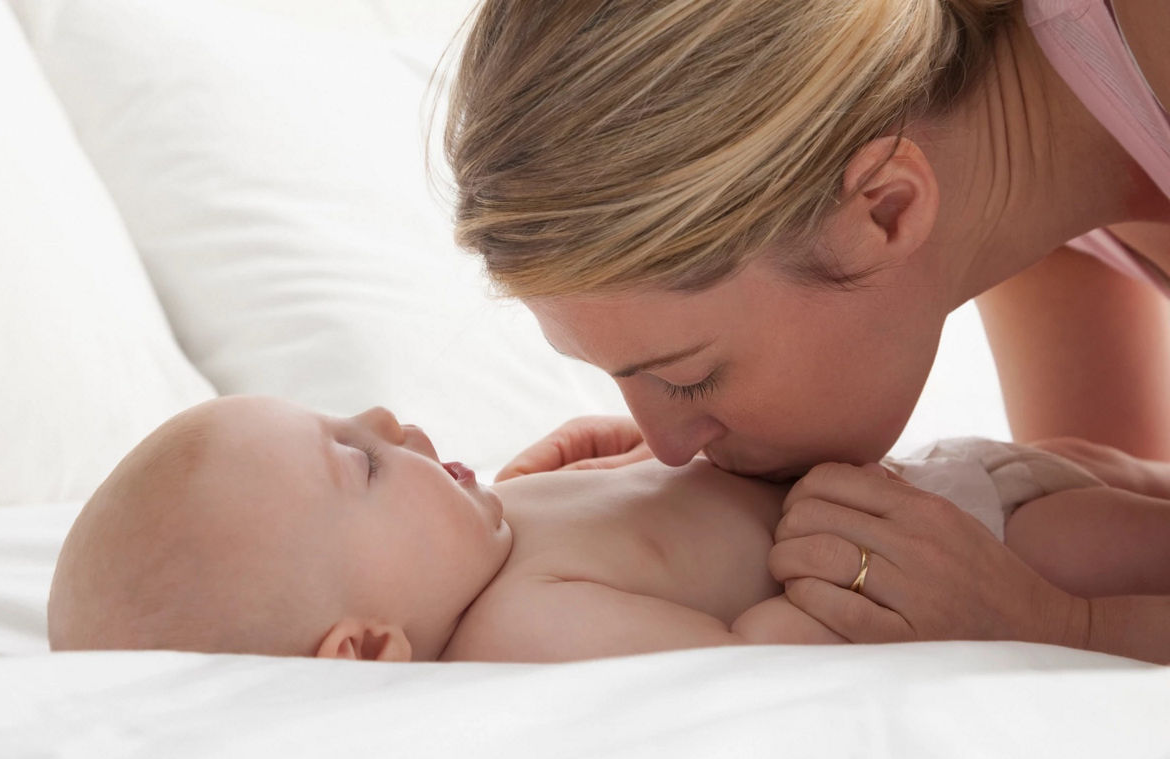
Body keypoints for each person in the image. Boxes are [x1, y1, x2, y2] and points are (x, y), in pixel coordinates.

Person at [441, 0, 1170, 660]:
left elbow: (1089, 599)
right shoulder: (1023, 174)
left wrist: (1059, 629)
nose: (664, 448)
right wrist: (712, 525)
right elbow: (1128, 526)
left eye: (689, 376)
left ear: (884, 210)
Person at [49, 397, 1170, 663]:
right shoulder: (523, 627)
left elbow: (654, 515)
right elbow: (736, 664)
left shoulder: (484, 535)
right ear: (364, 648)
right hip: (963, 551)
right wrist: (813, 595)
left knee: (1139, 480)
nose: (394, 419)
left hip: (936, 473)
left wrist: (637, 456)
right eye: (356, 458)